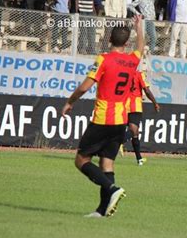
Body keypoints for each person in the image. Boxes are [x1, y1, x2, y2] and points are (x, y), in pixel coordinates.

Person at [61, 15, 144, 218]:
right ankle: (102, 210)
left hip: (103, 118)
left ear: (109, 40)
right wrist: (139, 27)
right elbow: (141, 47)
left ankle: (112, 188)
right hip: (120, 120)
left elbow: (85, 86)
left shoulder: (104, 60)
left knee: (81, 160)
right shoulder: (132, 61)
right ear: (126, 43)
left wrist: (70, 102)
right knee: (107, 163)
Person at [123, 71, 160, 165]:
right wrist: (155, 103)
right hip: (134, 106)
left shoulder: (123, 73)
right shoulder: (139, 74)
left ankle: (139, 159)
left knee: (135, 132)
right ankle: (118, 141)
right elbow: (146, 90)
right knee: (133, 131)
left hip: (122, 106)